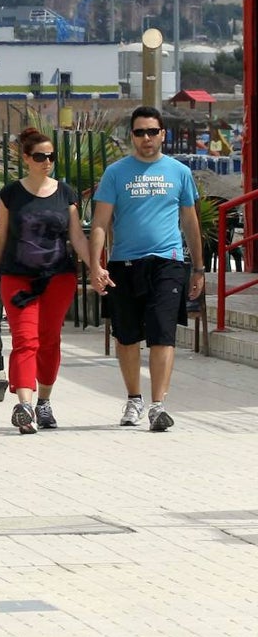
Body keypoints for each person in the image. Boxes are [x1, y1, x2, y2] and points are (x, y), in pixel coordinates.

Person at [90, 106, 203, 433]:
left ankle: (158, 405)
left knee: (161, 332)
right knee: (126, 336)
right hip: (124, 264)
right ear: (132, 137)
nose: (146, 138)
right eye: (140, 132)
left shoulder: (179, 172)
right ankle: (134, 398)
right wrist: (97, 266)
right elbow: (100, 223)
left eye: (152, 131)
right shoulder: (116, 173)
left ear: (163, 134)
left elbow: (190, 221)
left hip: (167, 262)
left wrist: (197, 268)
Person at [0, 127, 92, 433]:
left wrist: (95, 269)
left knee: (49, 341)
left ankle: (44, 401)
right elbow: (0, 237)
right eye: (39, 156)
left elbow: (76, 236)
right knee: (25, 341)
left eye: (51, 156)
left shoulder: (65, 193)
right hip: (17, 278)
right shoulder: (11, 194)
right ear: (26, 158)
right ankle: (24, 405)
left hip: (58, 278)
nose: (46, 162)